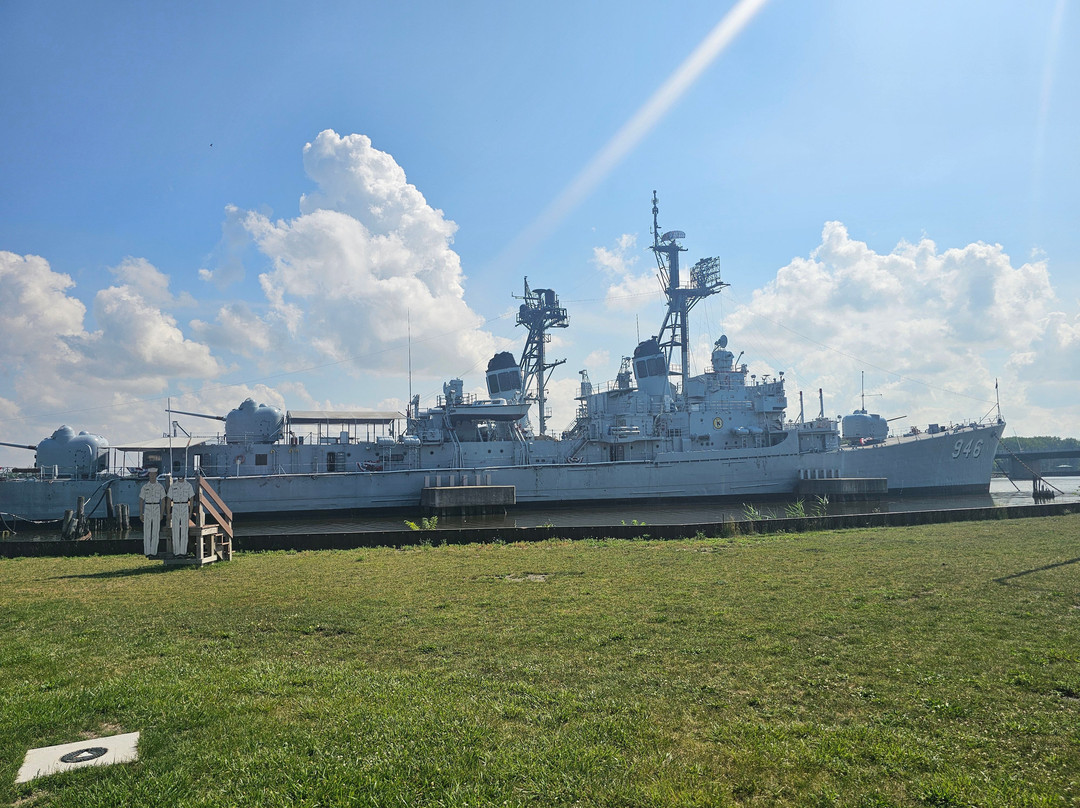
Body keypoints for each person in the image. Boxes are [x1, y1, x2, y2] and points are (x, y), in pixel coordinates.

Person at [138, 468, 166, 557]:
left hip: (156, 507)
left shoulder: (160, 487)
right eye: (151, 474)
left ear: (156, 475)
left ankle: (153, 552)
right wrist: (141, 513)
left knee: (155, 531)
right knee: (147, 531)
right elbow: (141, 500)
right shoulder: (145, 487)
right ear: (149, 475)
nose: (153, 476)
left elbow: (163, 500)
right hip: (148, 507)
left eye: (154, 474)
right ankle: (147, 552)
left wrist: (162, 513)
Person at [167, 475, 195, 556]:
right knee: (175, 530)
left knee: (184, 530)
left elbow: (192, 499)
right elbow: (169, 499)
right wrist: (168, 513)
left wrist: (190, 512)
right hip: (175, 506)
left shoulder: (188, 486)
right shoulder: (173, 486)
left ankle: (183, 552)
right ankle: (176, 552)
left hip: (184, 506)